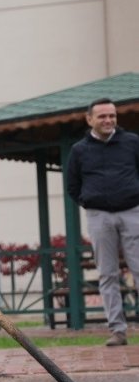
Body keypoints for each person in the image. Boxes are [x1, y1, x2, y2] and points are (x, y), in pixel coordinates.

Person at [66, 98, 139, 347]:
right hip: (99, 216)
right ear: (90, 119)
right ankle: (118, 330)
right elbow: (72, 186)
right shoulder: (79, 150)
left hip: (132, 212)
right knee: (107, 274)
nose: (108, 120)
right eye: (102, 116)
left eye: (112, 116)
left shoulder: (132, 142)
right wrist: (90, 202)